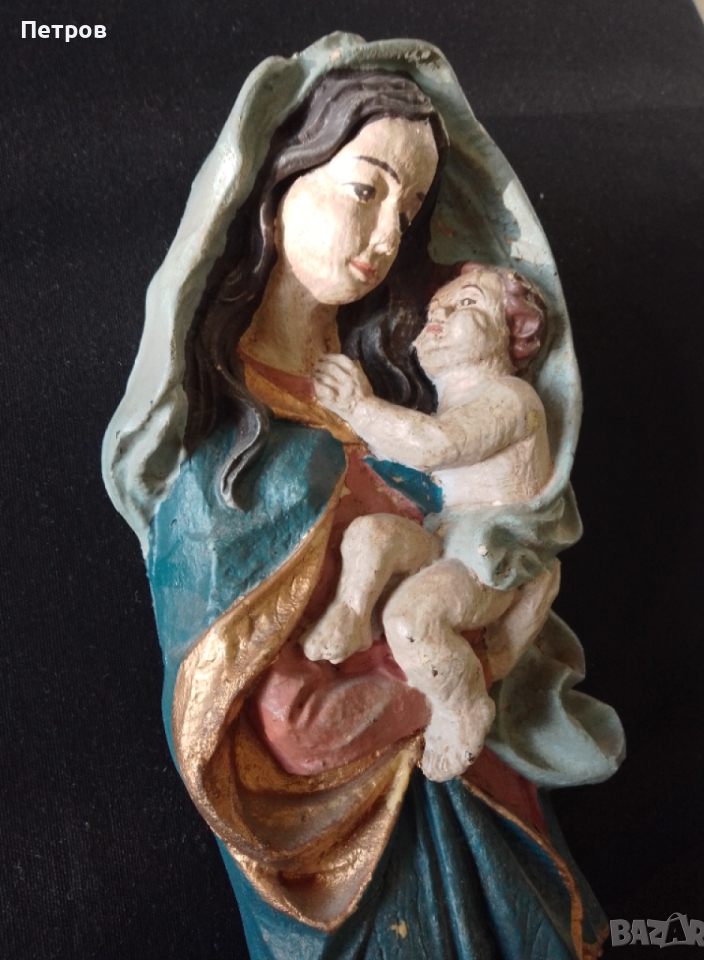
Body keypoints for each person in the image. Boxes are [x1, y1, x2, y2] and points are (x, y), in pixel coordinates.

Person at [103, 34, 624, 960]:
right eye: (365, 188)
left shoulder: (406, 397)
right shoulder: (232, 465)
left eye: (410, 208)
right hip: (380, 887)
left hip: (485, 827)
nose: (388, 236)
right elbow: (291, 735)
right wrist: (478, 661)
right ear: (276, 185)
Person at [303, 265, 561, 782]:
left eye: (466, 304)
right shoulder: (454, 404)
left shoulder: (512, 399)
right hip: (449, 539)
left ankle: (464, 708)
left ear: (515, 332)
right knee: (370, 535)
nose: (438, 316)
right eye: (435, 309)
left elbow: (436, 445)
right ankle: (352, 616)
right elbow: (417, 450)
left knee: (410, 620)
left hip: (490, 562)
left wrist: (359, 406)